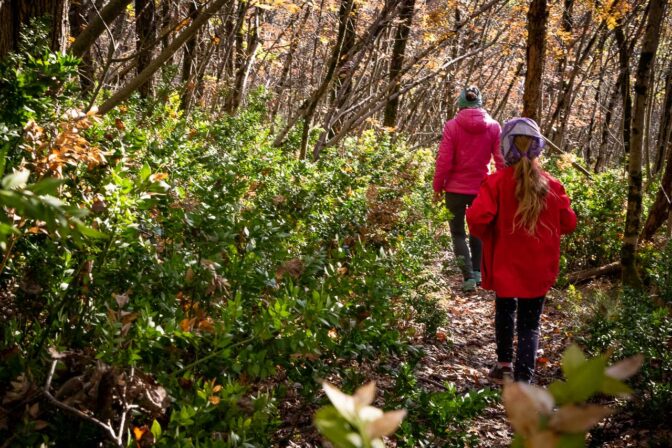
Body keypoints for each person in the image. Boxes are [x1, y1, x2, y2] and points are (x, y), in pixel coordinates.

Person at [466, 117, 577, 384]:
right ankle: (523, 380)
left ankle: (504, 367)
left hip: (506, 262)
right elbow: (569, 222)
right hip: (538, 266)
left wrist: (492, 234)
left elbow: (478, 219)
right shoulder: (552, 184)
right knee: (530, 322)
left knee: (505, 309)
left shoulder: (496, 182)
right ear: (538, 148)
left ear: (506, 147)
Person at [433, 86, 505, 292]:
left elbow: (444, 161)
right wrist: (500, 186)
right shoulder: (493, 126)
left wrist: (437, 187)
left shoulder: (452, 126)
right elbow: (500, 160)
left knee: (457, 233)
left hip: (454, 190)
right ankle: (478, 272)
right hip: (481, 189)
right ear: (480, 102)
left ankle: (468, 279)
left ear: (460, 104)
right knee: (478, 230)